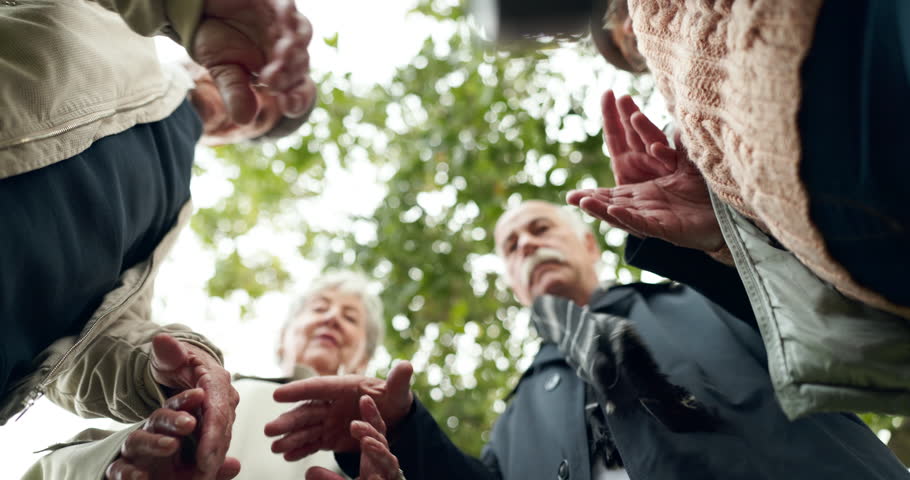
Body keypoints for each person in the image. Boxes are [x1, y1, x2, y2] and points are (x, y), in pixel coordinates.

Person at [263, 201, 909, 479]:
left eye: (541, 227)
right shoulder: (519, 416)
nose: (528, 245)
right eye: (511, 247)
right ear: (515, 284)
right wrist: (397, 426)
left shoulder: (704, 296)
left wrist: (716, 244)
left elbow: (838, 324)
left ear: (589, 243)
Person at [0, 0, 316, 477]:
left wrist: (169, 371)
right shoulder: (111, 20)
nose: (239, 109)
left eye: (256, 118)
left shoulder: (172, 211)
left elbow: (81, 353)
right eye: (251, 87)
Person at [577, 0, 910, 319]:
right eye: (629, 46)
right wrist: (724, 234)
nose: (631, 27)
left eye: (618, 10)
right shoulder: (682, 141)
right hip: (853, 246)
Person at [24, 271, 404, 480]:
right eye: (320, 308)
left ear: (364, 360)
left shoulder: (385, 445)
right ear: (282, 339)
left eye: (350, 317)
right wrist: (119, 465)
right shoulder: (212, 392)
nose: (332, 317)